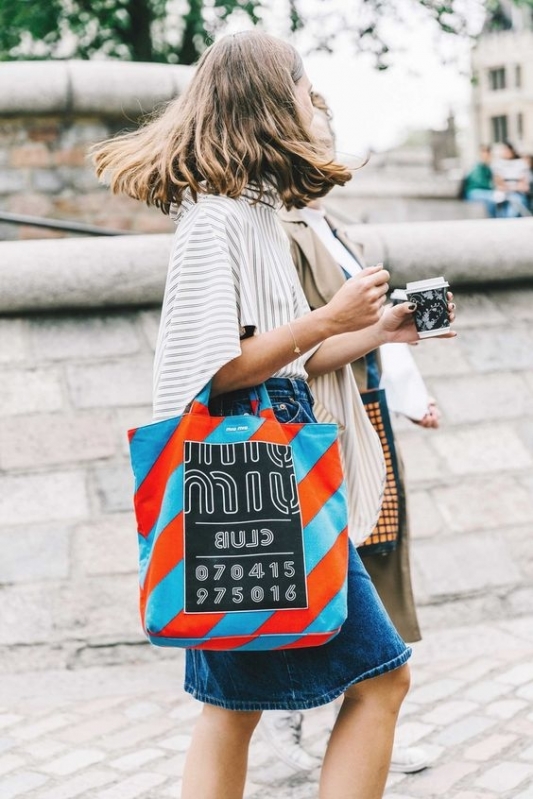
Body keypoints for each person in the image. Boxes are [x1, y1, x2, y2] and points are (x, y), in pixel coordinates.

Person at [92, 31, 454, 799]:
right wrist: (325, 318)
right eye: (300, 83)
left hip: (260, 461)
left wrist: (375, 329)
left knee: (233, 704)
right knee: (379, 679)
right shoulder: (215, 219)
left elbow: (287, 359)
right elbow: (211, 370)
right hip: (255, 469)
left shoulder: (250, 211)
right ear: (265, 97)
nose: (309, 97)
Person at [259, 92, 440, 778]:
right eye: (317, 120)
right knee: (329, 579)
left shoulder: (333, 225)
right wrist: (374, 331)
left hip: (360, 412)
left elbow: (357, 333)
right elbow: (302, 351)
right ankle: (297, 737)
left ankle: (355, 728)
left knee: (368, 567)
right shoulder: (279, 229)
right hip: (323, 423)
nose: (330, 134)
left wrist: (404, 375)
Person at [492, 141, 531, 217]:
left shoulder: (521, 164)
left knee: (513, 208)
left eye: (507, 150)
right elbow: (499, 184)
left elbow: (524, 186)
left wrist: (510, 187)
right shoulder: (497, 164)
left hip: (518, 195)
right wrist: (513, 186)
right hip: (502, 196)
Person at [460, 144, 500, 218]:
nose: (485, 155)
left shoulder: (489, 167)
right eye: (483, 152)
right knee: (493, 198)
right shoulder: (477, 167)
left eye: (487, 152)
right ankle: (494, 220)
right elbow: (479, 183)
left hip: (483, 192)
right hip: (474, 192)